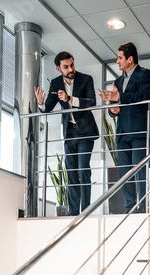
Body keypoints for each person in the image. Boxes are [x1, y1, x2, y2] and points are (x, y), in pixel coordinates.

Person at [34, 51, 99, 216]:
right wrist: (41, 103)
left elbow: (91, 101)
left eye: (72, 64)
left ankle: (85, 211)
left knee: (83, 168)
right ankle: (73, 213)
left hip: (85, 131)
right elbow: (47, 108)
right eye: (66, 67)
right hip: (69, 133)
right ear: (58, 68)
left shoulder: (86, 79)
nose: (70, 69)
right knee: (71, 172)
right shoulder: (56, 83)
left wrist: (70, 99)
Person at [99, 42, 150, 214]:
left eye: (120, 58)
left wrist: (119, 96)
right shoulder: (118, 81)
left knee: (140, 170)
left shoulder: (145, 74)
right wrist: (113, 109)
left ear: (130, 59)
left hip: (138, 131)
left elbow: (143, 96)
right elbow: (116, 107)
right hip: (122, 133)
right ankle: (130, 207)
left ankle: (144, 205)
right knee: (125, 173)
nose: (117, 61)